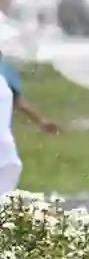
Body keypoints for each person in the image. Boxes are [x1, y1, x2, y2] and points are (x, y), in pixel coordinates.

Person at [0, 55, 60, 195]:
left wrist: (40, 120)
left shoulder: (4, 72)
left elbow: (18, 100)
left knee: (9, 174)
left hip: (5, 148)